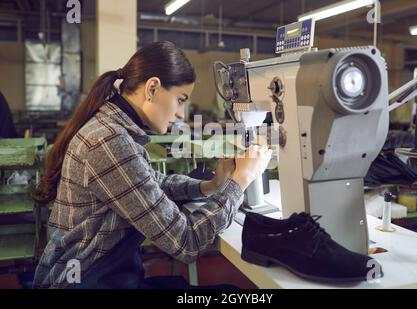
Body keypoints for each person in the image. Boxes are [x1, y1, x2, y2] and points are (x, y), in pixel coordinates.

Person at [32, 41, 272, 288]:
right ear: (153, 88)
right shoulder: (109, 141)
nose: (181, 113)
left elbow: (154, 183)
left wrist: (212, 185)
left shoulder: (113, 128)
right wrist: (241, 181)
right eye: (180, 99)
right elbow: (187, 242)